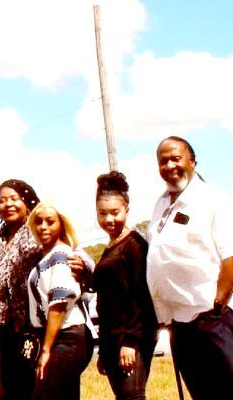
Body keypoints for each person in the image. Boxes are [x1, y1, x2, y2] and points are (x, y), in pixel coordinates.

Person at [146, 136, 233, 399]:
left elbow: (230, 258)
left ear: (193, 161)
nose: (170, 166)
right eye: (163, 161)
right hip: (181, 325)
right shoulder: (161, 204)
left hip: (212, 319)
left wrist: (217, 306)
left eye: (176, 158)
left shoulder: (212, 198)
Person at [93, 171, 157, 400]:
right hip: (111, 338)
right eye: (102, 214)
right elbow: (105, 300)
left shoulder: (135, 246)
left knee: (133, 396)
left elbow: (143, 297)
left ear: (126, 210)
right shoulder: (111, 247)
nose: (109, 219)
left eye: (114, 213)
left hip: (132, 338)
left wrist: (131, 342)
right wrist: (103, 348)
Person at [26, 203, 92, 400]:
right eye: (38, 222)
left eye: (50, 221)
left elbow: (59, 304)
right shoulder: (46, 256)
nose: (43, 227)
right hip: (61, 337)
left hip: (67, 337)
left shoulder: (61, 255)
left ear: (61, 225)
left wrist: (46, 350)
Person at [0, 179, 42, 400]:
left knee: (33, 388)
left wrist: (82, 265)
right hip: (2, 329)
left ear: (27, 202)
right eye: (2, 201)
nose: (8, 205)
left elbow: (68, 248)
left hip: (33, 324)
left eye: (14, 199)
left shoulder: (39, 228)